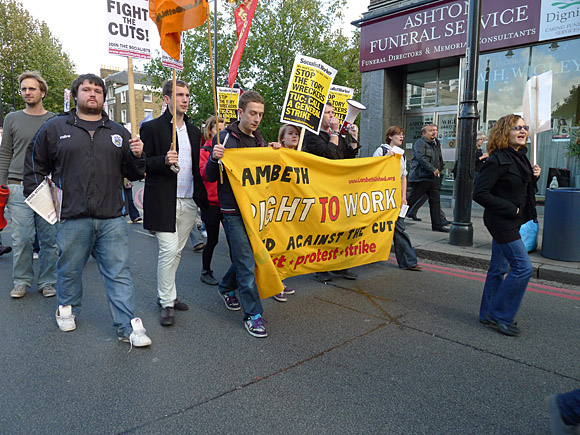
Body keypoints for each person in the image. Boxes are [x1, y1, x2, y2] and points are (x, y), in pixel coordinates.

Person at [23, 73, 151, 347]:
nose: (93, 94)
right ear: (77, 94)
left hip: (112, 218)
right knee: (69, 269)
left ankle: (126, 325)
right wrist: (43, 202)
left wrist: (138, 156)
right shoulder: (55, 128)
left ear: (104, 97)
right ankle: (67, 307)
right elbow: (35, 164)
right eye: (87, 89)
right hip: (72, 217)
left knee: (119, 272)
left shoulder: (118, 132)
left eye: (98, 90)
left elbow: (132, 172)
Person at [141, 79, 209, 327]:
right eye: (179, 94)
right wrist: (162, 160)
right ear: (167, 99)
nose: (185, 99)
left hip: (189, 201)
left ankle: (168, 294)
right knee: (169, 251)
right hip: (162, 201)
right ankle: (167, 302)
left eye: (187, 95)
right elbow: (140, 165)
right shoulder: (152, 129)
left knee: (177, 252)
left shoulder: (193, 131)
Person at [206, 90, 268, 338]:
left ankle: (225, 286)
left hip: (254, 211)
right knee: (246, 263)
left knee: (249, 257)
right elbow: (211, 176)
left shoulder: (259, 140)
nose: (257, 119)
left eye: (261, 115)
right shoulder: (224, 138)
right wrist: (214, 158)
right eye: (253, 113)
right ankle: (253, 314)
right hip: (232, 211)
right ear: (240, 112)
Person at [473, 114, 541, 337]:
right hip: (501, 221)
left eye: (524, 127)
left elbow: (519, 189)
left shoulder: (520, 157)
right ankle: (500, 314)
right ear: (505, 132)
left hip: (514, 220)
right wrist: (511, 209)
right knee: (523, 268)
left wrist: (534, 177)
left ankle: (487, 313)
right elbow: (480, 193)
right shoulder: (496, 160)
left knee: (499, 268)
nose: (522, 131)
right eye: (516, 128)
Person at [0, 70, 58, 298]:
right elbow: (5, 153)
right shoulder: (11, 118)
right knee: (22, 237)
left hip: (46, 185)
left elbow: (59, 155)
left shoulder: (54, 120)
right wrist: (2, 184)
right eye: (23, 89)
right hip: (17, 184)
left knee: (48, 239)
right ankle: (22, 280)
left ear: (42, 92)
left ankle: (48, 281)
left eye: (32, 88)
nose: (27, 92)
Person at [303, 102, 360, 283]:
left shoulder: (336, 135)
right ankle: (321, 267)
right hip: (321, 189)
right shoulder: (312, 136)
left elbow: (348, 157)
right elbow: (330, 156)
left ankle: (340, 264)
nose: (332, 115)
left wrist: (353, 138)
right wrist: (335, 133)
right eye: (327, 113)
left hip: (338, 188)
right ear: (319, 117)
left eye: (332, 112)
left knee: (340, 230)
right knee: (323, 230)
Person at [373, 126, 422, 271]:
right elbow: (373, 172)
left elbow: (403, 177)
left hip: (394, 199)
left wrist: (403, 197)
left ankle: (409, 261)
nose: (401, 137)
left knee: (399, 228)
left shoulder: (402, 155)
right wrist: (386, 159)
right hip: (380, 197)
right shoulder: (381, 151)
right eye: (398, 135)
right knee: (373, 228)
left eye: (402, 134)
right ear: (389, 136)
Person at [406, 124, 449, 233]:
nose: (434, 132)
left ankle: (437, 225)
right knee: (412, 200)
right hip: (422, 177)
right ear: (424, 134)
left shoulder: (436, 143)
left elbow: (439, 158)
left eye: (435, 130)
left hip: (433, 177)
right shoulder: (420, 143)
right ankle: (396, 218)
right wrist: (432, 169)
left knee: (435, 201)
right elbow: (420, 158)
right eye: (430, 130)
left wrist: (440, 168)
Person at [198, 115, 224, 286]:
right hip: (212, 203)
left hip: (229, 203)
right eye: (218, 130)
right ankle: (206, 270)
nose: (222, 134)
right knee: (212, 240)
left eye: (224, 130)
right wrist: (214, 159)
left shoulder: (231, 150)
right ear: (210, 131)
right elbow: (203, 174)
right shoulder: (204, 152)